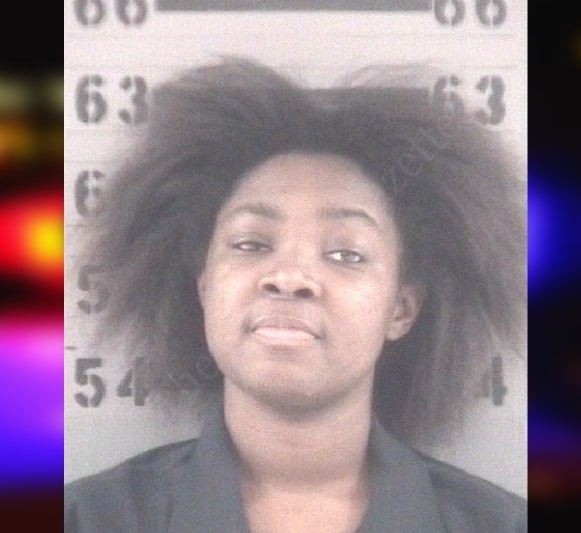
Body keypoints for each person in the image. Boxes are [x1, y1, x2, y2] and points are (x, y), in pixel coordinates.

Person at [64, 56, 527, 532]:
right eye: (250, 244)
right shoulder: (86, 519)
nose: (288, 277)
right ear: (204, 285)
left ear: (401, 308)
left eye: (346, 254)